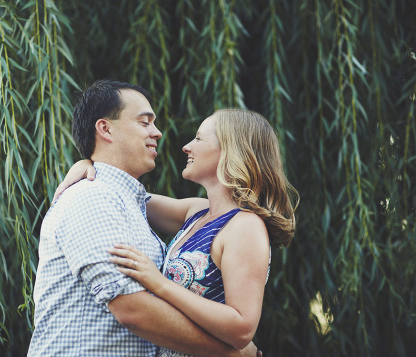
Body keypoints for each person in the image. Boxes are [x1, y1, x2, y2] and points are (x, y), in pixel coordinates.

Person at [28, 80, 259, 356]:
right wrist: (232, 354)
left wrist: (89, 164)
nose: (158, 133)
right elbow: (131, 308)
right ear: (105, 129)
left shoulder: (131, 205)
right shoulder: (92, 198)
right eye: (144, 122)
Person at [56, 108, 299, 356]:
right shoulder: (196, 211)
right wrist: (90, 165)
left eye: (198, 138)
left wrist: (160, 284)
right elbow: (127, 196)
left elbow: (241, 328)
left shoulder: (245, 226)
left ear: (231, 150)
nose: (186, 146)